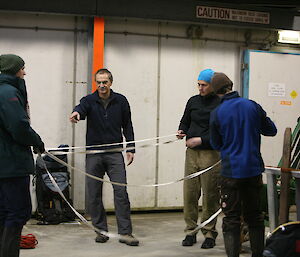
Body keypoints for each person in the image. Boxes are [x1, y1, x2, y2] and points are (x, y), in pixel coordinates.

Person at [209, 72, 277, 257]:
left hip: (230, 173)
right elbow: (271, 130)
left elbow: (215, 144)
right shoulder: (252, 106)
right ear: (231, 86)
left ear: (216, 92)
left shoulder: (217, 113)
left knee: (231, 219)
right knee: (255, 217)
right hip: (253, 170)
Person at [69, 68, 139, 246]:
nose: (101, 85)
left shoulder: (121, 101)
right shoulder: (89, 100)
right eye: (98, 82)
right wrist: (76, 113)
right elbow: (81, 109)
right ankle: (101, 231)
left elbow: (128, 125)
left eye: (105, 82)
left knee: (121, 193)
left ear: (110, 82)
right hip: (94, 154)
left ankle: (126, 233)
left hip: (115, 153)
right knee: (94, 194)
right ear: (96, 83)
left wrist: (130, 147)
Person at [0, 54, 45, 257]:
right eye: (22, 69)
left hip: (5, 164)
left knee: (4, 213)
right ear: (13, 70)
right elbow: (19, 126)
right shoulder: (8, 92)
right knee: (18, 212)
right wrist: (37, 141)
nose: (24, 72)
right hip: (11, 165)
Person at [177, 68, 221, 249]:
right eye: (199, 84)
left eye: (204, 85)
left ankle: (209, 233)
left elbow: (221, 133)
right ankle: (190, 231)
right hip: (192, 155)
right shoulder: (193, 101)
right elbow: (185, 120)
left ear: (213, 86)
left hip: (211, 154)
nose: (200, 88)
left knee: (210, 195)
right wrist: (181, 130)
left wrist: (201, 140)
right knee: (190, 194)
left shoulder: (220, 103)